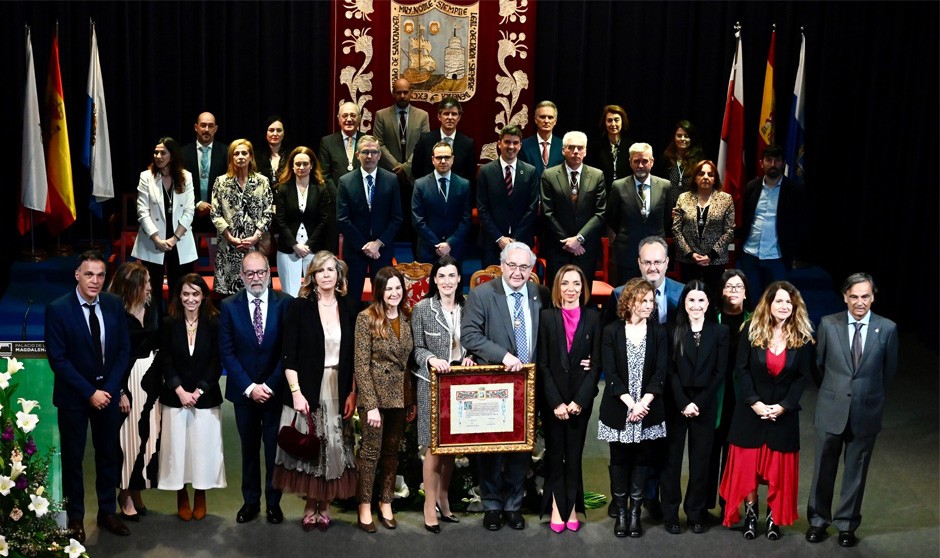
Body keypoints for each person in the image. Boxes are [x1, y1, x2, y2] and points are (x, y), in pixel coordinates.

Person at [806, 273, 899, 547]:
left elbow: (888, 373)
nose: (860, 302)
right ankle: (818, 521)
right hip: (831, 409)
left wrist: (865, 395)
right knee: (823, 468)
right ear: (845, 296)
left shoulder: (888, 328)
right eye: (855, 296)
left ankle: (846, 524)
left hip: (865, 411)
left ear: (873, 297)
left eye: (866, 296)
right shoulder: (828, 324)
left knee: (856, 472)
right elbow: (818, 366)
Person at [45, 250, 131, 542]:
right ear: (77, 275)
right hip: (74, 399)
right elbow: (58, 360)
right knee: (73, 460)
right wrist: (90, 392)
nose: (95, 281)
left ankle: (107, 512)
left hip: (107, 395)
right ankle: (75, 518)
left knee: (108, 456)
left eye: (101, 275)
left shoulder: (114, 304)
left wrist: (109, 389)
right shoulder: (58, 309)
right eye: (89, 274)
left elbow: (123, 351)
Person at [719, 281, 814, 540]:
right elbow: (742, 370)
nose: (783, 306)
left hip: (783, 416)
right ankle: (751, 515)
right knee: (748, 469)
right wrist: (755, 402)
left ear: (795, 306)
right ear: (768, 304)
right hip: (750, 412)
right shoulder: (750, 329)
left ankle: (773, 519)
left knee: (777, 471)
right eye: (778, 301)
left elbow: (802, 377)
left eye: (788, 302)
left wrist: (783, 406)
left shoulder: (803, 336)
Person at [461, 242, 544, 531]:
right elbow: (469, 335)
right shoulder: (483, 294)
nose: (517, 272)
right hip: (494, 384)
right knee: (492, 448)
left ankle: (513, 505)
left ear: (531, 270)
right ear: (502, 265)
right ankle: (492, 504)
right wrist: (504, 355)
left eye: (524, 267)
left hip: (529, 385)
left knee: (522, 448)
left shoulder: (538, 294)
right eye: (512, 265)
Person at [273, 251, 358, 532]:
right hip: (308, 387)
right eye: (320, 270)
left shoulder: (348, 306)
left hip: (338, 385)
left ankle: (326, 504)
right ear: (312, 275)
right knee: (312, 447)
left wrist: (352, 392)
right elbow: (289, 355)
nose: (325, 275)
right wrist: (296, 393)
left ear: (338, 275)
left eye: (331, 270)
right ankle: (311, 503)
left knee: (334, 448)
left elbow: (355, 356)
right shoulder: (300, 307)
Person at [219, 251, 292, 525]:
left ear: (269, 272)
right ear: (241, 276)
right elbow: (227, 352)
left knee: (274, 451)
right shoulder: (229, 306)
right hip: (244, 393)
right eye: (250, 273)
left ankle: (274, 503)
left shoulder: (285, 304)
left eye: (261, 272)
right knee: (249, 450)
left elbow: (287, 351)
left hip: (275, 393)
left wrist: (270, 385)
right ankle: (250, 502)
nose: (256, 278)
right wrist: (250, 387)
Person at [597, 278, 668, 538]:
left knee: (642, 460)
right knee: (619, 460)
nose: (649, 305)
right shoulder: (612, 331)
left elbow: (660, 372)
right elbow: (611, 372)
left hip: (648, 409)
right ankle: (622, 513)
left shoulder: (659, 332)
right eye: (644, 300)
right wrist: (631, 403)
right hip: (619, 408)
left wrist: (643, 404)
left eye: (651, 301)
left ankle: (636, 513)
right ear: (629, 301)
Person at [410, 255, 475, 533]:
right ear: (434, 280)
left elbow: (476, 338)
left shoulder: (469, 306)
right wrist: (431, 360)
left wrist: (471, 355)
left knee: (451, 448)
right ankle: (429, 506)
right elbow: (416, 348)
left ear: (459, 278)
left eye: (452, 275)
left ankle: (444, 498)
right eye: (442, 276)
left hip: (460, 386)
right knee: (433, 449)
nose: (447, 281)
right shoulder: (423, 308)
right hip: (431, 383)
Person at [536, 264, 602, 533]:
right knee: (555, 455)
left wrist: (579, 402)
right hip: (553, 402)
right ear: (557, 288)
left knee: (574, 455)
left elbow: (596, 365)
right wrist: (555, 403)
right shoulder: (547, 317)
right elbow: (543, 365)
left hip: (579, 402)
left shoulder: (594, 318)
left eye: (576, 284)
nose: (571, 289)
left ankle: (572, 507)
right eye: (565, 283)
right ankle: (555, 506)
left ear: (583, 288)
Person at [661, 280, 729, 534]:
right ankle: (670, 513)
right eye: (691, 300)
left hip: (705, 403)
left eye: (701, 300)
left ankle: (695, 512)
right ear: (684, 303)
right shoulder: (672, 329)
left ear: (709, 303)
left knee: (701, 461)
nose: (696, 305)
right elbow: (669, 371)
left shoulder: (719, 331)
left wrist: (697, 403)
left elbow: (720, 371)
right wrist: (683, 402)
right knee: (672, 461)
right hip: (676, 402)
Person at [157, 273, 226, 521]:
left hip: (204, 397)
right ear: (178, 296)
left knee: (203, 448)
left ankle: (201, 493)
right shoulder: (168, 322)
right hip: (175, 396)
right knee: (177, 449)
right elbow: (165, 360)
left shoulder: (215, 322)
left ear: (204, 296)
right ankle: (181, 493)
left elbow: (216, 362)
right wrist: (179, 390)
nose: (190, 299)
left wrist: (198, 391)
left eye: (195, 294)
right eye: (185, 294)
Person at [353, 266, 415, 533]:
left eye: (398, 287)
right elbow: (361, 364)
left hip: (401, 396)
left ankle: (385, 501)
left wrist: (410, 401)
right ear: (379, 291)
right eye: (388, 288)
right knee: (370, 454)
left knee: (391, 453)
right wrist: (371, 405)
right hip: (375, 399)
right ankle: (364, 504)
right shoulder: (366, 318)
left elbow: (408, 364)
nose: (394, 293)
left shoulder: (407, 316)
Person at [109, 262, 161, 522]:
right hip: (127, 383)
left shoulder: (152, 306)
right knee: (127, 442)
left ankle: (138, 488)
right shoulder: (114, 311)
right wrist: (119, 391)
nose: (151, 286)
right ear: (132, 286)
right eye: (146, 282)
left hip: (151, 381)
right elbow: (111, 355)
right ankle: (125, 492)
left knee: (147, 439)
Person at [131, 137, 197, 311]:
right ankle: (154, 329)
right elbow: (142, 211)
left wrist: (174, 239)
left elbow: (189, 211)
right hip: (153, 240)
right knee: (152, 290)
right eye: (156, 152)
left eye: (163, 153)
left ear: (172, 156)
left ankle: (176, 327)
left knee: (179, 288)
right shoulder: (146, 176)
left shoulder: (186, 177)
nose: (158, 156)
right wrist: (157, 239)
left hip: (179, 239)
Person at [336, 135, 403, 305]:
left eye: (374, 152)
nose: (370, 156)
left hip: (382, 249)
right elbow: (343, 219)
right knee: (351, 298)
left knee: (384, 298)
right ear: (357, 155)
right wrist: (365, 246)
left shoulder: (391, 180)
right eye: (365, 152)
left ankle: (382, 331)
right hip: (356, 250)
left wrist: (378, 243)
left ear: (380, 155)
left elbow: (396, 218)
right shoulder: (345, 181)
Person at [737, 144, 811, 297]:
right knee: (752, 302)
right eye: (769, 160)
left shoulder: (795, 191)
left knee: (777, 302)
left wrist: (792, 247)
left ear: (783, 163)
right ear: (761, 163)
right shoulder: (751, 187)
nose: (773, 164)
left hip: (777, 258)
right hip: (750, 255)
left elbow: (801, 224)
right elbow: (744, 217)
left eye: (777, 160)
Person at [707, 269, 752, 515]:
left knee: (734, 455)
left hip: (742, 396)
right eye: (729, 286)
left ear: (746, 292)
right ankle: (703, 505)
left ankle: (729, 504)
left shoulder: (754, 320)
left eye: (739, 286)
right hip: (715, 395)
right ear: (721, 291)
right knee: (710, 451)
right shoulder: (711, 318)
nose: (734, 291)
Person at [540, 131, 607, 291]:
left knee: (582, 295)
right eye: (571, 147)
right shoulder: (549, 175)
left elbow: (600, 213)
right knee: (557, 295)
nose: (576, 151)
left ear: (585, 151)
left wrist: (579, 239)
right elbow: (547, 212)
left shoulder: (597, 175)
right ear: (564, 150)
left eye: (580, 148)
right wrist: (568, 242)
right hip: (558, 247)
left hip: (585, 248)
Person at [210, 139, 274, 296]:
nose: (240, 156)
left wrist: (255, 236)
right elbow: (215, 213)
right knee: (230, 297)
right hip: (229, 246)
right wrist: (230, 237)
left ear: (251, 156)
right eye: (236, 153)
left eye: (244, 153)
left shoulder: (262, 181)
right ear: (231, 157)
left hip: (255, 245)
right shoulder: (221, 182)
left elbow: (268, 211)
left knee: (257, 291)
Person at [607, 143, 673, 283]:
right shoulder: (618, 186)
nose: (641, 165)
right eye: (636, 161)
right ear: (630, 162)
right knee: (626, 297)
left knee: (653, 297)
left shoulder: (665, 186)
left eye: (644, 161)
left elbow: (666, 219)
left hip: (655, 255)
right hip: (626, 253)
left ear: (652, 162)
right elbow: (612, 218)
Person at [374, 77, 431, 237]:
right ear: (393, 93)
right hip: (389, 173)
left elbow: (423, 143)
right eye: (399, 93)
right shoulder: (381, 115)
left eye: (406, 92)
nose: (402, 96)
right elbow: (378, 143)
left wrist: (406, 166)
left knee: (414, 216)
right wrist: (396, 165)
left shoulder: (422, 115)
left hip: (414, 174)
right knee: (390, 215)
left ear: (411, 93)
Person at [273, 146, 333, 297]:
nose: (301, 167)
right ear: (292, 166)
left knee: (313, 294)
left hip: (313, 249)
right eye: (297, 164)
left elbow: (324, 220)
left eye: (305, 164)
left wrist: (308, 245)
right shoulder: (283, 188)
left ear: (311, 165)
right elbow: (280, 220)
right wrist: (294, 244)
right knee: (290, 294)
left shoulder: (321, 188)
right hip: (288, 249)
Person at [477, 125, 540, 268]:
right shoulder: (486, 171)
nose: (511, 146)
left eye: (515, 143)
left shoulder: (530, 172)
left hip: (522, 241)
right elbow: (483, 209)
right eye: (507, 142)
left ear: (520, 145)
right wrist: (499, 238)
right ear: (499, 144)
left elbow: (532, 207)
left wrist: (515, 239)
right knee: (491, 286)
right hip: (492, 242)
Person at [671, 160, 735, 291]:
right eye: (701, 173)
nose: (706, 177)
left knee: (713, 298)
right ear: (695, 178)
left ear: (715, 179)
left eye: (710, 174)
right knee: (689, 297)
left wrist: (710, 256)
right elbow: (676, 230)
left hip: (715, 261)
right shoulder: (683, 198)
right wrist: (690, 254)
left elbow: (729, 231)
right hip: (688, 261)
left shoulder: (726, 199)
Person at [412, 141, 472, 265]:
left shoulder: (464, 184)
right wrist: (438, 245)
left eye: (447, 157)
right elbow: (418, 220)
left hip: (454, 249)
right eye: (439, 157)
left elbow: (466, 219)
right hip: (428, 249)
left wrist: (449, 243)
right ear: (433, 159)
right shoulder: (420, 184)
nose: (443, 161)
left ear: (453, 159)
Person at [605, 236, 684, 327]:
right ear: (639, 263)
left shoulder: (682, 292)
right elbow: (610, 332)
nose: (652, 268)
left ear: (666, 262)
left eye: (657, 262)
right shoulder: (619, 294)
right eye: (647, 262)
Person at [411, 97, 477, 196]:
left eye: (454, 114)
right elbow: (417, 170)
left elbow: (470, 176)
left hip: (457, 196)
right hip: (429, 195)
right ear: (439, 116)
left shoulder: (468, 144)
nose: (450, 117)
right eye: (446, 113)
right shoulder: (425, 140)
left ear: (459, 117)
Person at [319, 101, 362, 253]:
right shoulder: (327, 142)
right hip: (335, 205)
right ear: (338, 119)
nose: (349, 119)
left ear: (359, 118)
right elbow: (324, 174)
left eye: (353, 115)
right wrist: (341, 197)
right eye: (345, 115)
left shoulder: (367, 141)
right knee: (332, 248)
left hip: (361, 204)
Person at [182, 112, 228, 233]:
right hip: (189, 214)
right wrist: (197, 203)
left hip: (219, 215)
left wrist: (213, 206)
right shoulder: (183, 153)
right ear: (196, 127)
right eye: (203, 125)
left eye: (210, 126)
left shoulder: (226, 153)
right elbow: (179, 184)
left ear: (216, 129)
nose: (206, 129)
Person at [519, 100, 564, 182]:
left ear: (555, 121)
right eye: (542, 117)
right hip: (531, 192)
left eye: (550, 117)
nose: (546, 121)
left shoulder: (563, 145)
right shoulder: (524, 145)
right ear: (536, 120)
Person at [661, 120, 705, 203]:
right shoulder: (666, 159)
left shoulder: (699, 160)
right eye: (679, 136)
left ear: (692, 139)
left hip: (691, 207)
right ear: (674, 138)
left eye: (686, 136)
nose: (683, 139)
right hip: (668, 206)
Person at [593, 105, 632, 190]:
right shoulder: (596, 148)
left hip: (625, 193)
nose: (613, 124)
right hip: (602, 193)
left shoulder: (631, 147)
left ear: (622, 121)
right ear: (605, 123)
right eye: (609, 120)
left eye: (616, 120)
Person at [256, 115, 291, 187]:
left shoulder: (291, 155)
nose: (275, 134)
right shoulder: (256, 156)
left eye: (279, 130)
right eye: (271, 130)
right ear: (266, 132)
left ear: (284, 133)